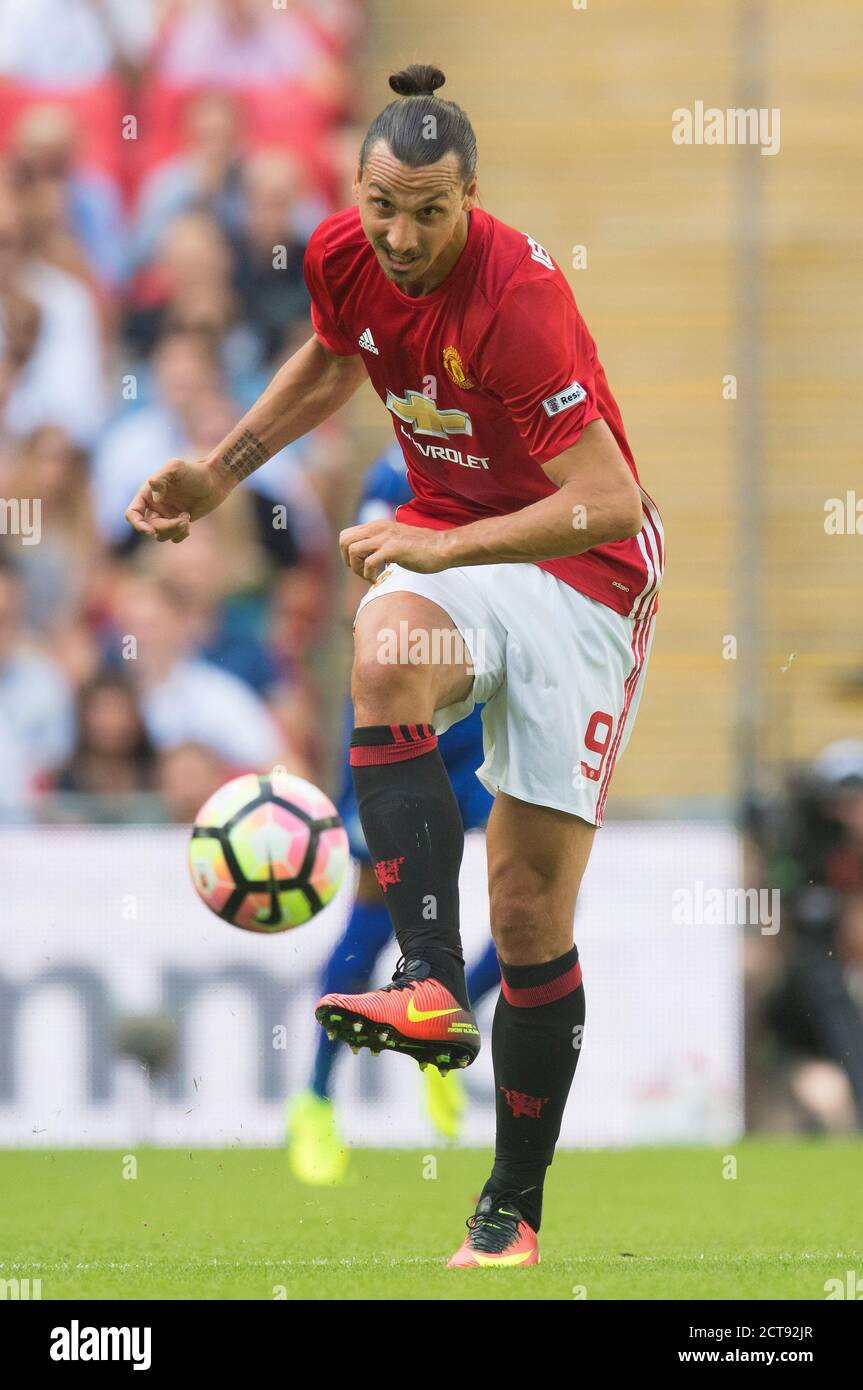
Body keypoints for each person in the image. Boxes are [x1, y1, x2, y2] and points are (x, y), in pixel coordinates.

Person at [126, 63, 664, 1268]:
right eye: (381, 204)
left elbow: (605, 500)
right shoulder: (344, 257)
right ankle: (424, 976)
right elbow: (334, 356)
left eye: (429, 211)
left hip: (584, 575)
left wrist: (439, 536)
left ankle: (511, 1206)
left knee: (526, 911)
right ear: (356, 188)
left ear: (470, 197)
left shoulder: (516, 299)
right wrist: (220, 471)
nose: (401, 235)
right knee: (383, 652)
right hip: (459, 553)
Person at [287, 443, 500, 1185]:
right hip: (411, 701)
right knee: (378, 902)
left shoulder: (522, 446)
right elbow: (367, 582)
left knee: (526, 892)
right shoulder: (396, 467)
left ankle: (449, 1013)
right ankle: (315, 1099)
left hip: (488, 711)